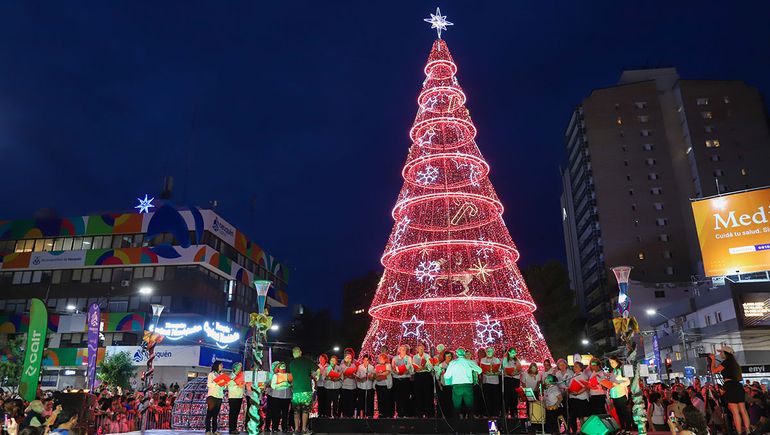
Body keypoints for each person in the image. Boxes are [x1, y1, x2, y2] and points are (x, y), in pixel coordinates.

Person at [710, 346, 750, 434]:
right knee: (743, 410)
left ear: (725, 353)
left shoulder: (726, 362)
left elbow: (713, 370)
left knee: (735, 412)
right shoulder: (735, 363)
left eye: (721, 352)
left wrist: (712, 359)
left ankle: (739, 432)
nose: (720, 354)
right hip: (738, 385)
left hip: (730, 386)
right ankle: (748, 430)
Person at [443, 347, 482, 419]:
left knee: (456, 406)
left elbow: (447, 375)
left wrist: (448, 382)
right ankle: (471, 424)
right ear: (464, 354)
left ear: (457, 354)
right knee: (470, 406)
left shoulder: (453, 363)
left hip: (457, 386)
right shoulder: (469, 362)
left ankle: (456, 424)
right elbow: (480, 370)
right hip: (468, 386)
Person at [288, 346, 315, 433]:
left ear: (293, 354)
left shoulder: (291, 364)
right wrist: (314, 376)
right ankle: (303, 429)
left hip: (296, 391)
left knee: (296, 411)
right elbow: (317, 370)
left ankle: (296, 430)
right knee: (305, 410)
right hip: (306, 390)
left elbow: (289, 378)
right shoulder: (307, 361)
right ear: (300, 352)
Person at [608, 356, 632, 431]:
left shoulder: (621, 370)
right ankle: (623, 428)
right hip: (614, 395)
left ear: (617, 362)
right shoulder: (613, 371)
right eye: (610, 363)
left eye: (613, 362)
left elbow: (628, 381)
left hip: (621, 394)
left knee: (624, 412)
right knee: (619, 413)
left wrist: (618, 384)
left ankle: (628, 428)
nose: (611, 364)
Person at [268, 361, 292, 432]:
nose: (283, 369)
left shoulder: (288, 375)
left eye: (284, 367)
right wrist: (283, 384)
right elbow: (273, 386)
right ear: (278, 368)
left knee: (285, 413)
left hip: (286, 397)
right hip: (277, 397)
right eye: (282, 367)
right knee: (276, 413)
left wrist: (288, 385)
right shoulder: (275, 376)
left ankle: (284, 427)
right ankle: (275, 427)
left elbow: (291, 385)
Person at [412, 343, 434, 418]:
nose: (420, 350)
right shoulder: (415, 357)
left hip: (426, 376)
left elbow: (430, 367)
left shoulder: (427, 356)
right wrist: (417, 369)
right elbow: (413, 367)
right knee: (418, 395)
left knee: (427, 394)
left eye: (422, 349)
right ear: (417, 349)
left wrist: (423, 368)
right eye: (419, 349)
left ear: (424, 349)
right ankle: (419, 413)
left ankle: (428, 413)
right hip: (418, 376)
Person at [391, 345, 414, 417]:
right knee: (398, 397)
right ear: (399, 350)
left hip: (405, 379)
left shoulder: (408, 358)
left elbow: (410, 367)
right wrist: (395, 371)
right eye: (402, 349)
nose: (403, 351)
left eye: (404, 349)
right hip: (397, 380)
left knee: (405, 396)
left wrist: (405, 371)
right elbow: (392, 368)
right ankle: (399, 413)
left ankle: (405, 412)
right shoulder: (395, 358)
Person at [567, 361, 589, 433]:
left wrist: (578, 392)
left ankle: (584, 431)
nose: (574, 368)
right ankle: (574, 430)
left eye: (576, 366)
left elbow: (585, 387)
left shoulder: (583, 376)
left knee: (582, 416)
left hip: (581, 398)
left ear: (581, 368)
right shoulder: (573, 376)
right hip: (572, 398)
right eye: (574, 366)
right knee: (573, 416)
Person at [479, 346, 501, 417]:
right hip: (486, 381)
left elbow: (500, 371)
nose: (489, 353)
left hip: (494, 382)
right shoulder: (483, 359)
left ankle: (495, 413)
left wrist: (493, 373)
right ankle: (487, 413)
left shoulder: (496, 360)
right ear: (486, 352)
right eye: (488, 351)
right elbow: (481, 369)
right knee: (486, 398)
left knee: (494, 398)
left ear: (493, 352)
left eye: (491, 351)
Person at [502, 347, 522, 420]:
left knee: (514, 396)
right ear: (509, 353)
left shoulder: (517, 360)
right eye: (512, 352)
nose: (514, 354)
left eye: (515, 352)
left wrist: (515, 372)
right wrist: (510, 372)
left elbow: (520, 369)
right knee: (507, 396)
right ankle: (506, 412)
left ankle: (514, 412)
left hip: (515, 380)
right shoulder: (505, 359)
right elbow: (504, 369)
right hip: (508, 379)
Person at [205, 361, 225, 435]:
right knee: (209, 413)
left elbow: (224, 386)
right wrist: (217, 382)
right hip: (212, 396)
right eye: (221, 365)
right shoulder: (211, 374)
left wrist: (223, 384)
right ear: (217, 365)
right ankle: (207, 430)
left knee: (215, 414)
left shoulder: (222, 375)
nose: (222, 366)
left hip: (219, 396)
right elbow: (209, 384)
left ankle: (215, 430)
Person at [226, 362, 244, 434]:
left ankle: (234, 428)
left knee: (236, 413)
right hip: (233, 397)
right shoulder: (231, 375)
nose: (240, 369)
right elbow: (229, 384)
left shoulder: (241, 375)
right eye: (239, 367)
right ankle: (232, 429)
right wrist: (237, 384)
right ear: (235, 368)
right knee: (233, 413)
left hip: (239, 396)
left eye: (241, 367)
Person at [374, 353, 394, 418]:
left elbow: (387, 372)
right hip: (379, 384)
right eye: (379, 358)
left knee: (387, 399)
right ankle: (381, 413)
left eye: (382, 358)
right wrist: (378, 375)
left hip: (386, 385)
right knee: (380, 399)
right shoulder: (377, 365)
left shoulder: (388, 365)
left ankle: (387, 413)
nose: (380, 360)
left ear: (385, 359)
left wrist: (379, 374)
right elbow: (375, 374)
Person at [340, 348, 359, 417]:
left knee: (351, 402)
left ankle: (351, 414)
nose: (348, 358)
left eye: (349, 357)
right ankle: (345, 414)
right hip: (344, 386)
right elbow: (340, 375)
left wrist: (352, 376)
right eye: (346, 356)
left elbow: (356, 374)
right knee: (345, 401)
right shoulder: (342, 365)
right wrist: (345, 375)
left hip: (352, 386)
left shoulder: (354, 365)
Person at [435, 350, 454, 418]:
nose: (448, 358)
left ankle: (451, 415)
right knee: (445, 401)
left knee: (452, 401)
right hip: (444, 386)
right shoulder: (441, 365)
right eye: (447, 356)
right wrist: (440, 385)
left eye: (450, 356)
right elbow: (437, 377)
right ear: (444, 357)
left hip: (452, 385)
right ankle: (444, 415)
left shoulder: (453, 364)